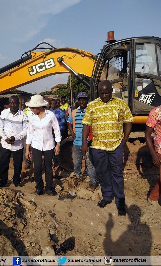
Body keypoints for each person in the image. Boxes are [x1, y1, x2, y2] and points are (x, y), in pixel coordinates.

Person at [82, 80, 133, 216]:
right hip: (98, 146)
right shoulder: (92, 106)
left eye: (107, 92)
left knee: (117, 173)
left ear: (111, 91)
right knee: (103, 172)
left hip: (116, 145)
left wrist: (125, 138)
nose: (104, 95)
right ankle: (107, 196)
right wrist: (84, 143)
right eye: (102, 93)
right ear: (98, 92)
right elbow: (86, 125)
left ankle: (120, 201)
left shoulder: (120, 104)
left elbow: (128, 121)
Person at [25, 95, 61, 196]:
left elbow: (57, 130)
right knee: (37, 167)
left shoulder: (50, 115)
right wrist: (27, 149)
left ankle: (49, 187)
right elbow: (30, 133)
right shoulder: (32, 118)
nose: (31, 109)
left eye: (33, 108)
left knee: (48, 167)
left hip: (49, 145)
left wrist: (58, 144)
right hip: (36, 145)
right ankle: (39, 186)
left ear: (39, 107)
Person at [0, 95, 29, 187]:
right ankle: (3, 181)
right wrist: (5, 138)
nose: (12, 104)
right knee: (3, 164)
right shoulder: (4, 113)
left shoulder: (23, 115)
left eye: (14, 102)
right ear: (9, 103)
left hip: (17, 145)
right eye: (11, 102)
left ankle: (16, 181)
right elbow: (0, 127)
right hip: (5, 144)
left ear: (18, 104)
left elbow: (26, 130)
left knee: (18, 164)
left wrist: (16, 138)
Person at [68, 92, 97, 188]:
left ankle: (92, 181)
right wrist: (72, 132)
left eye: (84, 99)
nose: (82, 101)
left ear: (87, 100)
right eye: (80, 99)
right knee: (76, 163)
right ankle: (77, 178)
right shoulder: (74, 112)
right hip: (76, 142)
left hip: (88, 142)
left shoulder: (91, 112)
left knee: (90, 163)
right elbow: (69, 122)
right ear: (78, 101)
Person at [145, 105, 161, 206]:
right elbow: (147, 135)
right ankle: (153, 197)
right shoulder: (155, 112)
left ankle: (153, 196)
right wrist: (153, 155)